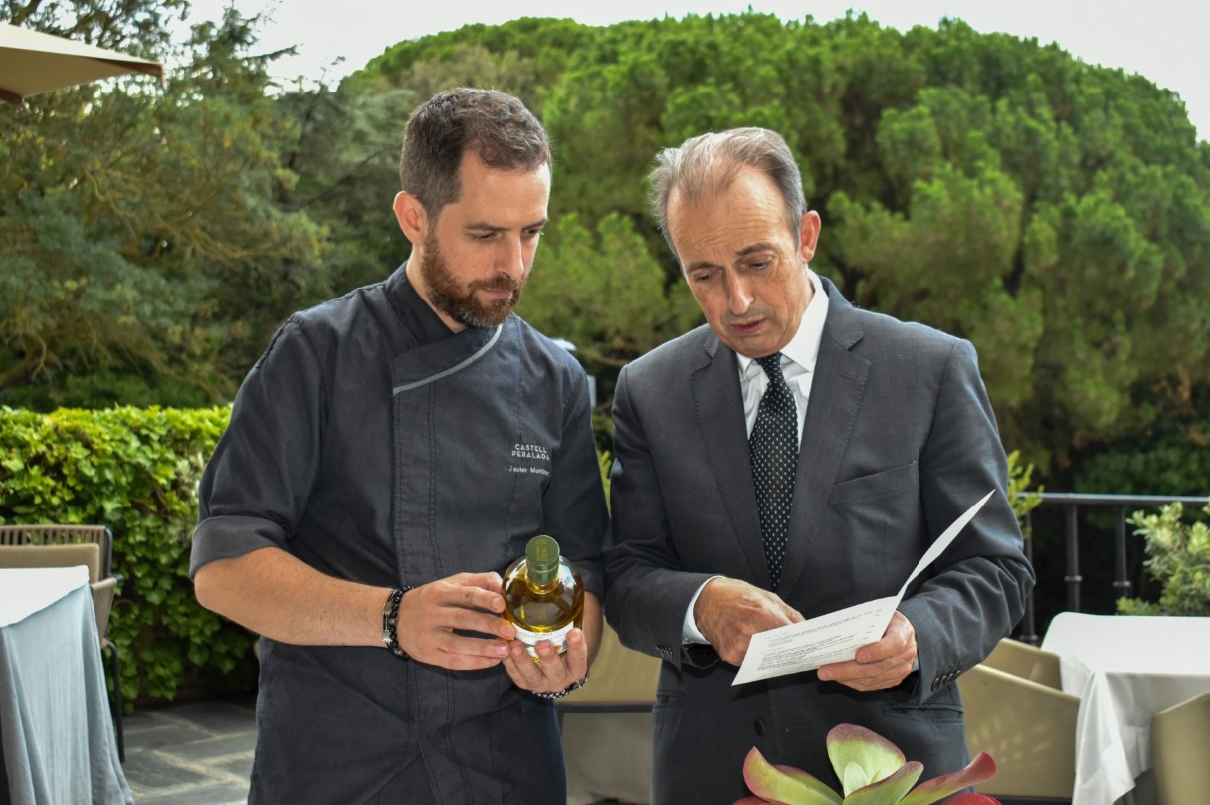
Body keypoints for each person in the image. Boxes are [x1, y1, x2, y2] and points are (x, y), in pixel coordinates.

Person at [190, 88, 609, 803]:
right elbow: (224, 567)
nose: (515, 264)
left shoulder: (558, 380)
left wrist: (572, 655)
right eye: (486, 235)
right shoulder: (315, 353)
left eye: (531, 232)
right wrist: (390, 617)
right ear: (413, 217)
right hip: (338, 760)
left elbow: (586, 570)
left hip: (505, 766)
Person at [604, 127, 1035, 803]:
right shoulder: (648, 390)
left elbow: (997, 569)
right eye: (704, 276)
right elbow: (627, 577)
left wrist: (918, 636)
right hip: (711, 774)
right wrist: (700, 605)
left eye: (757, 262)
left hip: (896, 771)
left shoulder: (931, 369)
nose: (735, 302)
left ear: (806, 236)